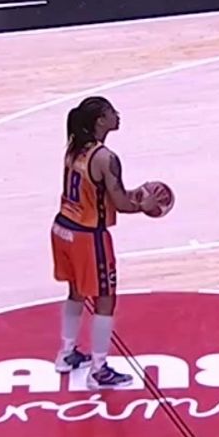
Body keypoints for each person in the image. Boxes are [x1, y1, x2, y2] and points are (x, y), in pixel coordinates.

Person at [53, 96, 158, 390]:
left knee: (75, 292)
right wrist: (143, 204)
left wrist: (134, 194)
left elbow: (104, 193)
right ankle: (98, 370)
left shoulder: (75, 146)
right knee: (105, 300)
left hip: (63, 228)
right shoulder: (106, 157)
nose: (117, 115)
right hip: (89, 236)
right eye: (112, 112)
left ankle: (67, 353)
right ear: (101, 120)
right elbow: (121, 205)